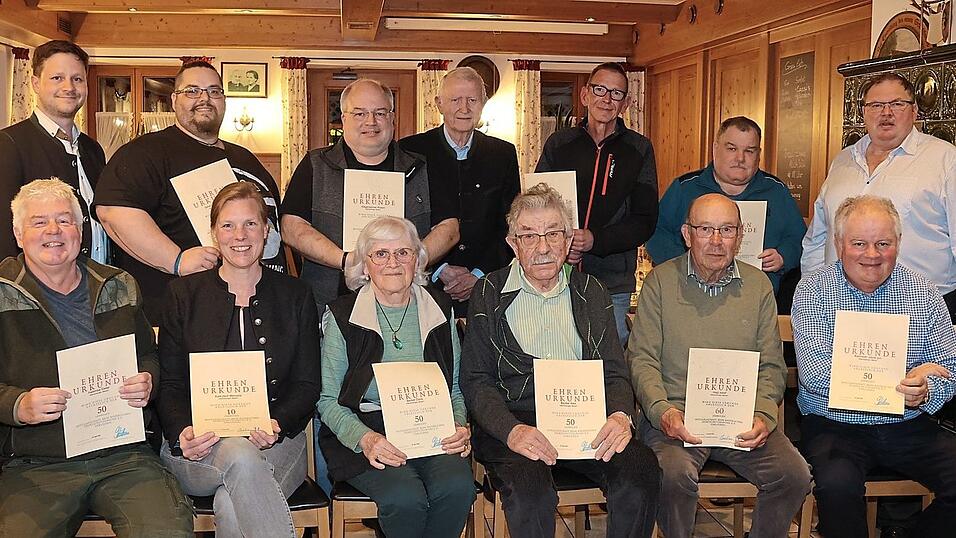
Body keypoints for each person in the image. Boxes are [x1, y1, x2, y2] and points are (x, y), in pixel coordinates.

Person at [460, 183, 661, 538]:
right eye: (529, 236)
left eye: (553, 234)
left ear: (568, 241)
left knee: (641, 469)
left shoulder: (591, 290)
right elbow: (477, 380)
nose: (542, 247)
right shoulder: (488, 292)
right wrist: (512, 431)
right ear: (513, 243)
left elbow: (614, 373)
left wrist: (618, 416)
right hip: (516, 421)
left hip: (585, 417)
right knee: (530, 491)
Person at [0, 179, 193, 537]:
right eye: (39, 222)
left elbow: (148, 355)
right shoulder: (2, 292)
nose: (54, 231)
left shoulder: (119, 284)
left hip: (124, 456)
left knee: (167, 530)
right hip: (37, 463)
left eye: (65, 220)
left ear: (81, 229)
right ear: (18, 232)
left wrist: (147, 380)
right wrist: (18, 405)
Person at [628, 193, 811, 537]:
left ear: (740, 236)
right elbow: (642, 360)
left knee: (794, 475)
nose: (715, 241)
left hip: (741, 417)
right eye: (705, 229)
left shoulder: (758, 287)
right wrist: (663, 412)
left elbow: (771, 366)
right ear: (686, 234)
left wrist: (762, 415)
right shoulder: (660, 284)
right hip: (676, 420)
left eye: (726, 230)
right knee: (672, 476)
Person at [156, 182, 320, 537]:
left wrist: (277, 423)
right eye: (228, 225)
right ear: (213, 233)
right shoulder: (183, 295)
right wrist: (182, 431)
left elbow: (308, 384)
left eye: (250, 224)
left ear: (266, 230)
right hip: (196, 449)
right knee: (239, 456)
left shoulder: (296, 295)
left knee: (231, 506)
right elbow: (169, 383)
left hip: (277, 445)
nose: (239, 235)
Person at [792, 195, 956, 538]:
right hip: (835, 424)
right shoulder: (813, 290)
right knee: (837, 487)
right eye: (859, 243)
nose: (872, 254)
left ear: (898, 244)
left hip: (908, 423)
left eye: (883, 243)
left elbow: (948, 370)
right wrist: (906, 381)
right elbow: (815, 374)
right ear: (839, 245)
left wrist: (925, 391)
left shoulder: (923, 292)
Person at [317, 216, 476, 538]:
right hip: (366, 431)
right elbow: (328, 401)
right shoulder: (341, 316)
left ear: (417, 260)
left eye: (403, 253)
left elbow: (455, 388)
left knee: (458, 488)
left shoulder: (440, 308)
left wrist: (458, 425)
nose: (393, 263)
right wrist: (366, 439)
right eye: (380, 254)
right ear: (364, 265)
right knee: (405, 498)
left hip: (432, 427)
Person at [94, 60, 286, 322]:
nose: (205, 98)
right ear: (174, 100)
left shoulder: (245, 158)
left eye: (214, 91)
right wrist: (177, 260)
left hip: (253, 309)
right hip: (181, 315)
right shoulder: (146, 152)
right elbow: (114, 213)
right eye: (192, 91)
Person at [802, 72, 956, 321]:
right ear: (864, 112)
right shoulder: (842, 161)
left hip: (919, 310)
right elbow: (818, 237)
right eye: (875, 105)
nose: (886, 112)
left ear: (914, 110)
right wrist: (810, 293)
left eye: (897, 104)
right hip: (840, 306)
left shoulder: (945, 160)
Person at [535, 61, 658, 342]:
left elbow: (645, 220)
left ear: (625, 103)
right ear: (585, 95)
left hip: (612, 283)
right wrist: (563, 243)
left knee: (606, 367)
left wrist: (595, 240)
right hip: (557, 277)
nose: (607, 99)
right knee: (557, 358)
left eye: (616, 93)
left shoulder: (639, 149)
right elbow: (537, 205)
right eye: (600, 89)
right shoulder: (559, 144)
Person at [399, 67, 520, 313]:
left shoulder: (503, 154)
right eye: (455, 100)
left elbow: (510, 223)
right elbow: (402, 221)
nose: (464, 108)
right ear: (439, 104)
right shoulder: (411, 151)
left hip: (486, 285)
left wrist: (478, 274)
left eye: (472, 100)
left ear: (483, 103)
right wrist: (439, 268)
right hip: (422, 284)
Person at [646, 116, 805, 294]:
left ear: (758, 155)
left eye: (749, 151)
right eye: (732, 148)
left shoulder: (777, 191)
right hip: (690, 296)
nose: (740, 158)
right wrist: (684, 263)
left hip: (754, 299)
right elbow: (655, 232)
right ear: (715, 149)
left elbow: (799, 238)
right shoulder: (685, 188)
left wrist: (784, 256)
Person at [0, 40, 108, 263]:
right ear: (36, 84)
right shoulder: (9, 144)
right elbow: (4, 231)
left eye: (77, 79)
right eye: (57, 78)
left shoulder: (93, 150)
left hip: (96, 286)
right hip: (37, 292)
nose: (69, 87)